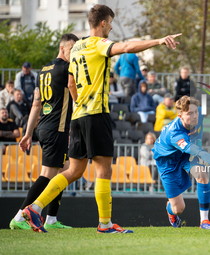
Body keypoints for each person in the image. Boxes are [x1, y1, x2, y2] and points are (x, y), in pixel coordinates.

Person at [22, 4, 181, 234]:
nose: (112, 27)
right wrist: (158, 41)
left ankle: (34, 208)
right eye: (111, 23)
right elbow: (126, 47)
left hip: (78, 117)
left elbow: (70, 83)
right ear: (103, 23)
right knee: (104, 171)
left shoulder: (76, 47)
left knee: (73, 171)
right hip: (96, 114)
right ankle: (105, 224)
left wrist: (79, 104)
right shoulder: (99, 44)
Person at [10, 33, 79, 231]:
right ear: (63, 48)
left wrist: (28, 132)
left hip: (45, 127)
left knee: (64, 171)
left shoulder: (43, 71)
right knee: (48, 175)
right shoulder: (67, 68)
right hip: (56, 129)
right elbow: (74, 89)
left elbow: (36, 105)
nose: (74, 52)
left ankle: (51, 218)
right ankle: (20, 216)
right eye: (72, 48)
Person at [152, 96, 210, 229]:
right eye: (189, 114)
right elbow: (197, 150)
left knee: (201, 173)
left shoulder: (198, 113)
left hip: (185, 154)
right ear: (180, 116)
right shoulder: (175, 134)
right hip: (168, 162)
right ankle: (170, 209)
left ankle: (204, 221)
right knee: (179, 209)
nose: (194, 116)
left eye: (195, 112)